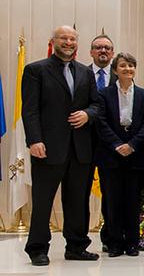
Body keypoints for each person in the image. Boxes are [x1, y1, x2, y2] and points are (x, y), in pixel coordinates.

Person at [22, 26, 102, 266]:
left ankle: (76, 246)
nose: (68, 42)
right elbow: (30, 110)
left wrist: (88, 114)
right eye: (63, 38)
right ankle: (37, 248)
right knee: (43, 201)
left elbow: (97, 105)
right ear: (53, 41)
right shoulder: (36, 70)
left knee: (77, 201)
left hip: (80, 149)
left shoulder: (85, 73)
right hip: (47, 148)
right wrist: (34, 140)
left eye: (72, 39)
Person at [94, 52, 144, 258]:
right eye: (124, 66)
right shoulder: (104, 94)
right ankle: (115, 242)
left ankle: (132, 243)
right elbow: (101, 122)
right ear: (115, 70)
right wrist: (117, 144)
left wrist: (132, 145)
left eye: (132, 66)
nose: (128, 69)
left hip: (136, 155)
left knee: (132, 200)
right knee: (112, 200)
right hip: (111, 155)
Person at [88, 34, 116, 253]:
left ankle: (110, 236)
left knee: (110, 193)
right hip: (83, 143)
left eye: (107, 48)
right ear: (91, 52)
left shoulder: (121, 77)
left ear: (112, 53)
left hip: (111, 146)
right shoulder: (80, 74)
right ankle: (79, 239)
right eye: (98, 48)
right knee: (79, 192)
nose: (103, 51)